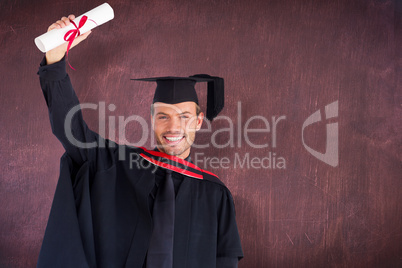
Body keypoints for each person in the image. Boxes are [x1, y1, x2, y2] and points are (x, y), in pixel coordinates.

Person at [37, 15, 243, 268]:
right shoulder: (114, 165)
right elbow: (71, 130)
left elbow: (225, 262)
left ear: (199, 121)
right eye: (163, 116)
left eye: (184, 117)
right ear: (152, 119)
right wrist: (55, 60)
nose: (174, 127)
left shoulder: (216, 195)